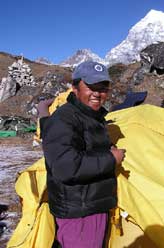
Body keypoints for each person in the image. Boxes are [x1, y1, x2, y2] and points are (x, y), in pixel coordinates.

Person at [40, 61, 126, 248]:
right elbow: (66, 166)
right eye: (91, 87)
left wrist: (106, 148)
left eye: (103, 88)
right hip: (79, 212)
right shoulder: (64, 118)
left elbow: (83, 148)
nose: (97, 93)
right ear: (75, 88)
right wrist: (112, 158)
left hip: (90, 204)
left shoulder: (89, 116)